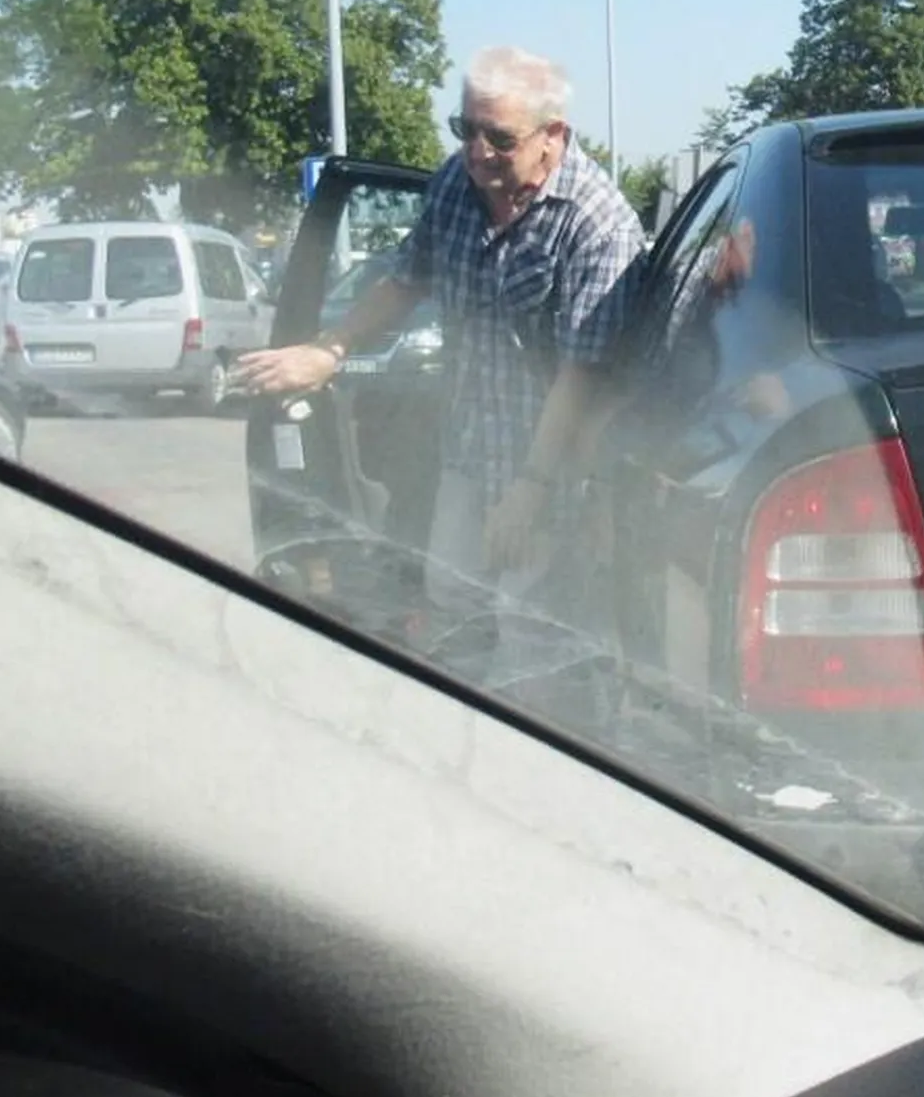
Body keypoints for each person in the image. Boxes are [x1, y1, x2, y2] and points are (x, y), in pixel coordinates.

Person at [237, 47, 646, 655]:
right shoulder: (458, 184)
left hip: (555, 469)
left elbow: (579, 375)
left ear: (552, 136)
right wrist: (331, 349)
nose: (478, 152)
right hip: (469, 449)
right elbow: (407, 279)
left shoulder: (597, 225)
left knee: (530, 628)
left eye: (499, 138)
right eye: (466, 129)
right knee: (451, 598)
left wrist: (528, 491)